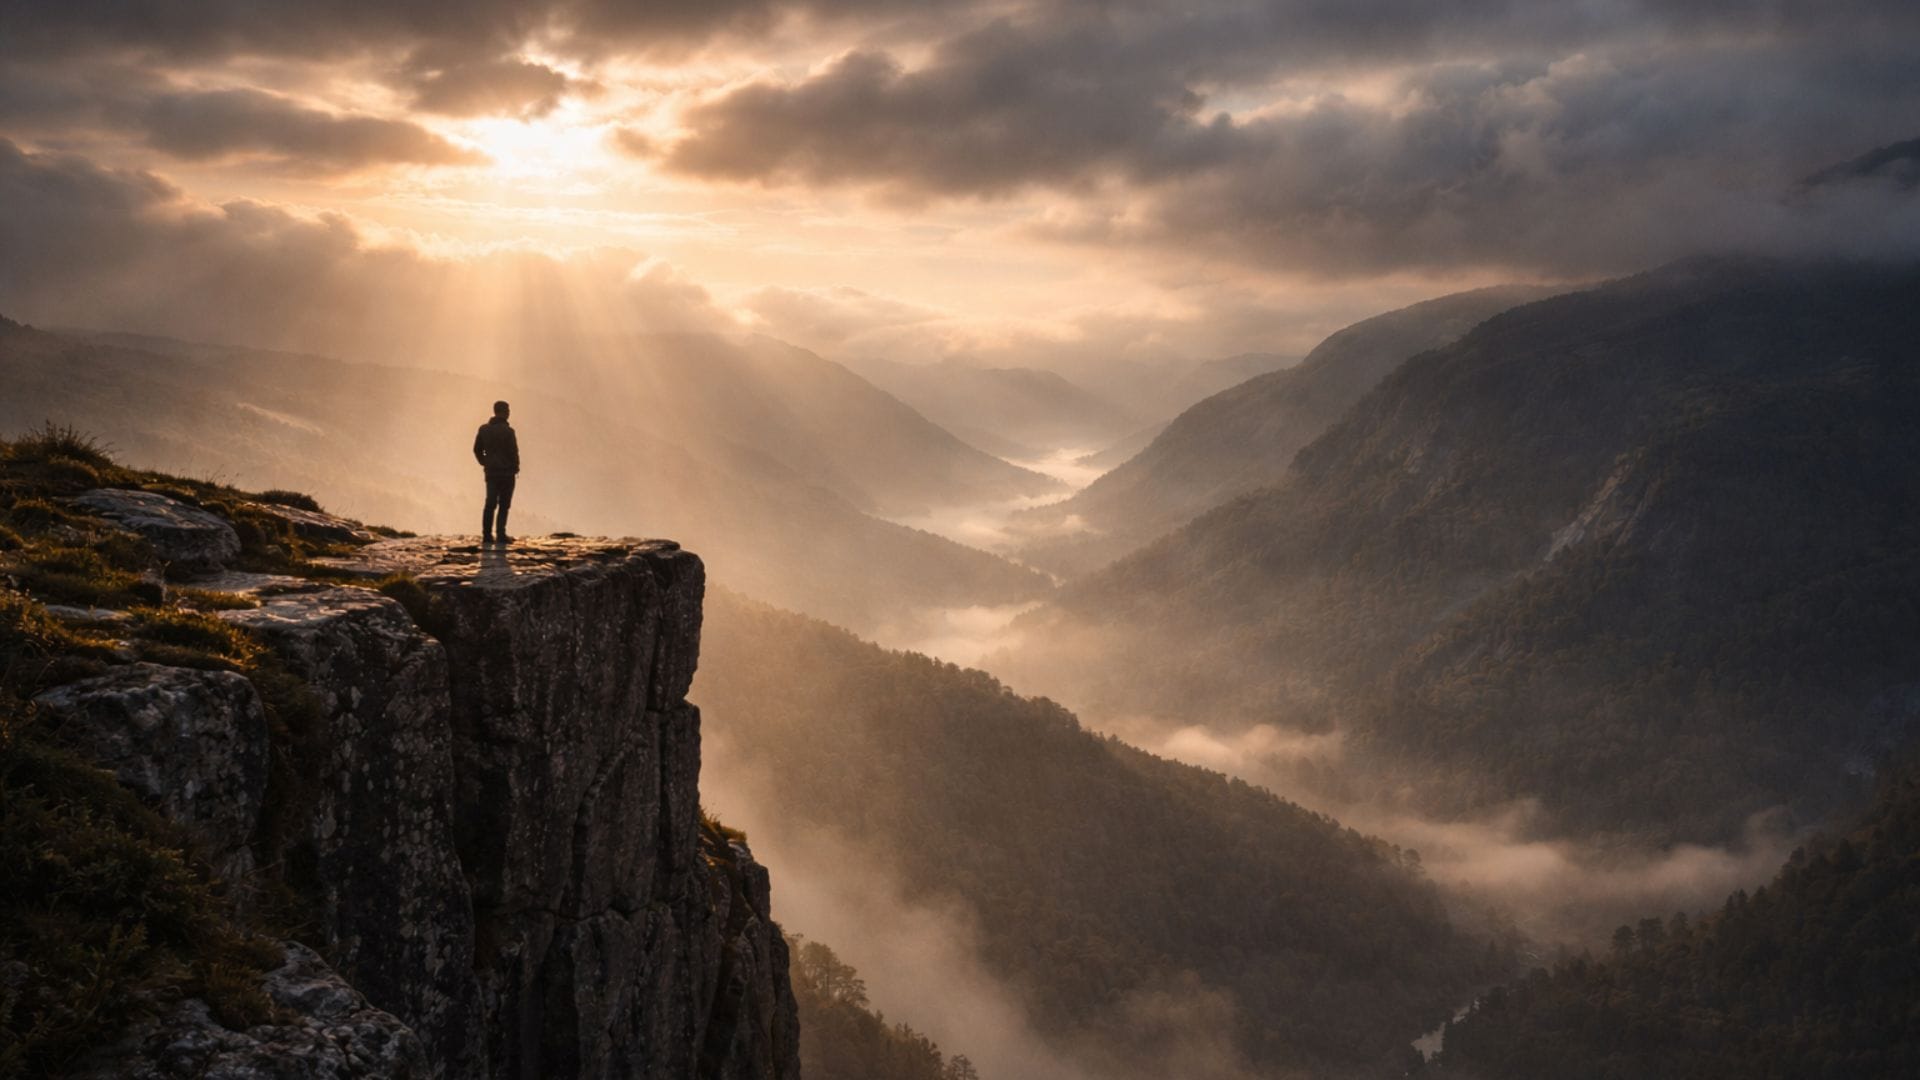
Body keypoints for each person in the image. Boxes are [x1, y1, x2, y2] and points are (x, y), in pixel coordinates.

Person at [473, 400, 520, 545]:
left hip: (491, 472)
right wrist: (516, 467)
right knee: (504, 504)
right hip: (507, 473)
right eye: (508, 410)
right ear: (503, 412)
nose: (509, 413)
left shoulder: (484, 430)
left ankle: (487, 535)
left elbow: (476, 449)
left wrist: (484, 462)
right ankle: (500, 534)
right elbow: (513, 452)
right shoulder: (508, 431)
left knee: (490, 503)